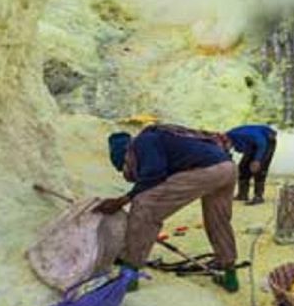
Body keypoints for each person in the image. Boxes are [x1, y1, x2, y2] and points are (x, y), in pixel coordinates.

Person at [95, 124, 239, 292]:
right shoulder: (160, 141)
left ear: (127, 153)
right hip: (228, 168)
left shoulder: (143, 142)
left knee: (144, 205)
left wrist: (122, 200)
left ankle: (129, 274)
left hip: (208, 169)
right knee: (218, 220)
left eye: (125, 166)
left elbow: (154, 175)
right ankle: (229, 273)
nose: (129, 173)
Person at [224, 124, 278, 205]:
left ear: (227, 141)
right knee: (243, 167)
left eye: (225, 147)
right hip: (252, 144)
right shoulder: (231, 139)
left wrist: (257, 160)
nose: (227, 149)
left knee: (259, 168)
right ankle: (243, 194)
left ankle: (258, 196)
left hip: (266, 140)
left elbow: (261, 143)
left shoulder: (241, 135)